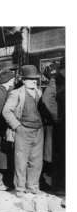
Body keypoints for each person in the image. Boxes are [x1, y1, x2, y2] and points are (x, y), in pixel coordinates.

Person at [2, 65, 44, 197]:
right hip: (23, 130)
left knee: (36, 161)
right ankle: (20, 188)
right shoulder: (16, 93)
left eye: (35, 79)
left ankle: (33, 186)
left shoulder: (39, 92)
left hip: (38, 130)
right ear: (23, 80)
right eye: (30, 79)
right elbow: (6, 111)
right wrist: (17, 126)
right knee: (21, 160)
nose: (34, 81)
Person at [42, 59, 65, 193]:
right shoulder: (55, 81)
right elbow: (47, 100)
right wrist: (57, 116)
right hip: (60, 125)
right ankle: (58, 186)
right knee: (59, 155)